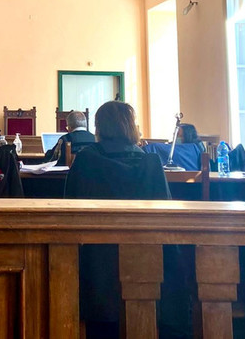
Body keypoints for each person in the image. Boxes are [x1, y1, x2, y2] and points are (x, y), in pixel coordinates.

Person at [64, 101, 186, 338]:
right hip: (146, 264)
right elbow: (166, 219)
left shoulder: (86, 161)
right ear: (131, 126)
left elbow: (69, 210)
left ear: (99, 127)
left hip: (95, 269)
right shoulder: (151, 163)